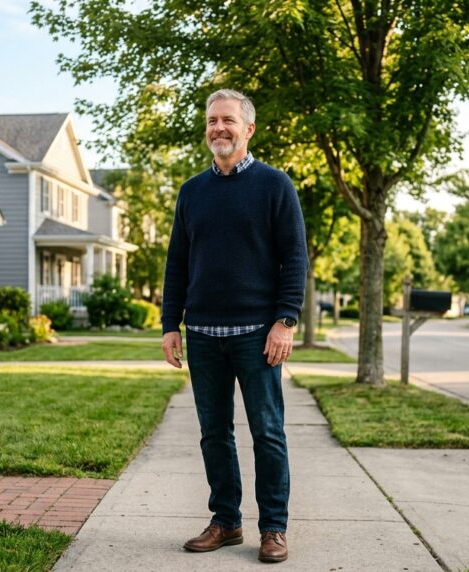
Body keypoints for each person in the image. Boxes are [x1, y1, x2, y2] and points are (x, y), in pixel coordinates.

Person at [161, 88, 308, 564]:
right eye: (211, 121)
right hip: (203, 333)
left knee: (267, 431)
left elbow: (294, 258)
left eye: (227, 120)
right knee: (213, 433)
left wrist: (285, 321)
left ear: (248, 129)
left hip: (257, 335)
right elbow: (177, 263)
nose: (217, 128)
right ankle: (225, 521)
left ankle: (273, 529)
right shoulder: (192, 191)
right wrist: (170, 323)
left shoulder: (274, 185)